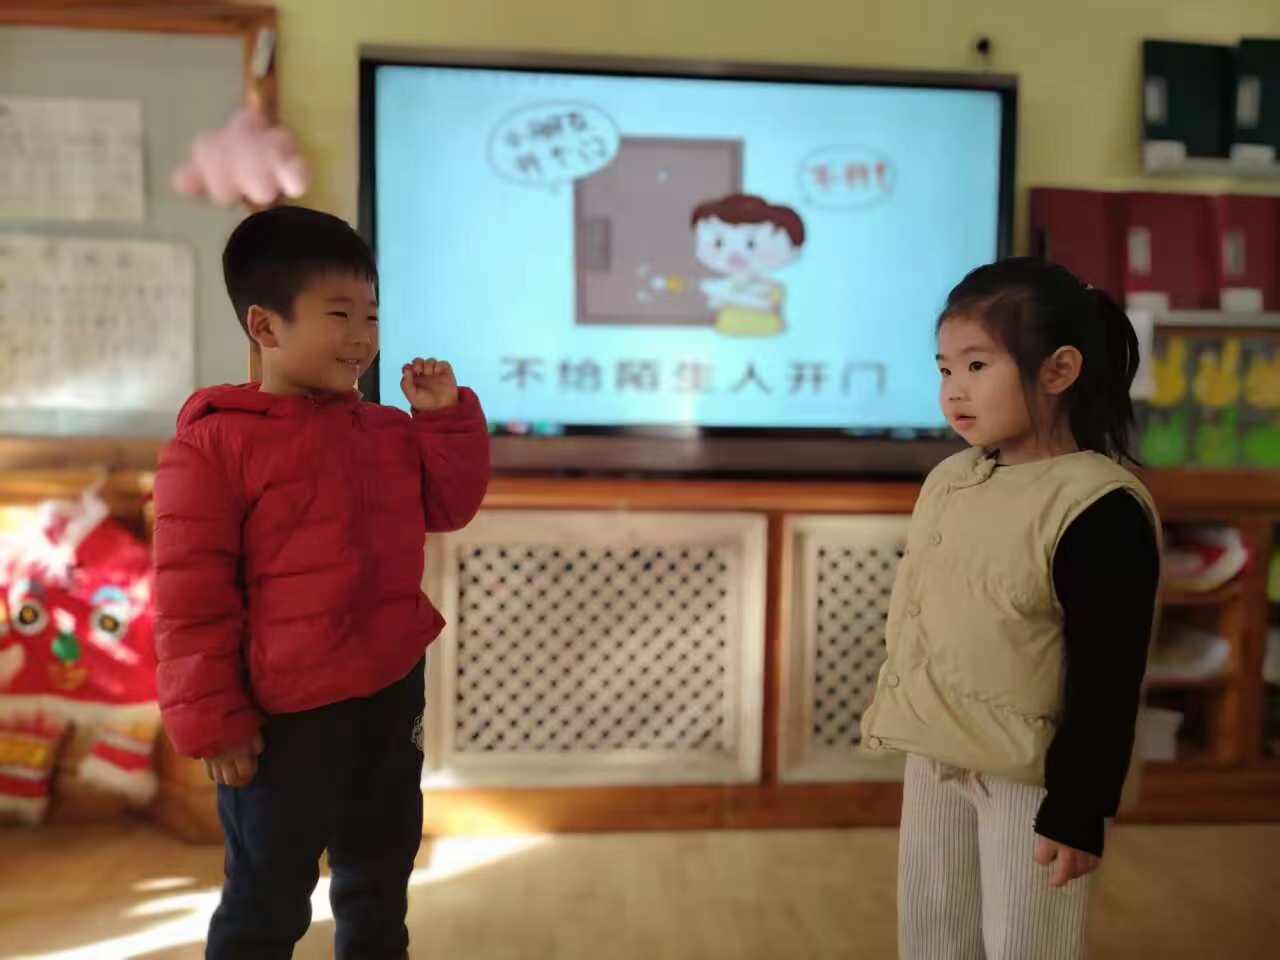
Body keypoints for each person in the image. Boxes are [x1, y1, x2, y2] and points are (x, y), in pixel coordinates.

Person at [151, 205, 490, 959]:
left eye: (371, 315)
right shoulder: (213, 446)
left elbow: (449, 506)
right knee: (268, 896)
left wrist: (443, 421)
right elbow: (188, 599)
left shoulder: (388, 431)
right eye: (340, 315)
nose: (363, 336)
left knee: (381, 876)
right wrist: (214, 720)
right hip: (284, 717)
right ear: (265, 327)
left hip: (388, 692)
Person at [860, 257, 1161, 960]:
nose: (954, 390)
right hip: (936, 752)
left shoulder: (1098, 506)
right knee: (931, 935)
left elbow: (1109, 675)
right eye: (944, 369)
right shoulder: (953, 477)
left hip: (1031, 778)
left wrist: (1079, 805)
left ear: (1058, 371)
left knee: (1027, 944)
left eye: (977, 365)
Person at [690, 193, 805, 337]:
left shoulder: (771, 287)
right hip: (726, 332)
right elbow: (714, 303)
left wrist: (723, 294)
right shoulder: (731, 284)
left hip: (768, 334)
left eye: (751, 244)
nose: (735, 255)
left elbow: (765, 305)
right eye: (719, 243)